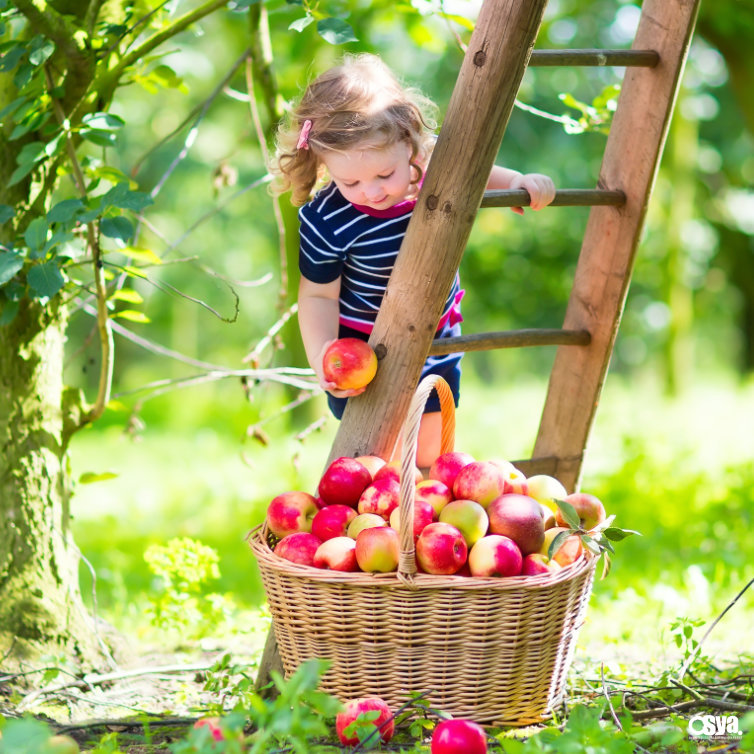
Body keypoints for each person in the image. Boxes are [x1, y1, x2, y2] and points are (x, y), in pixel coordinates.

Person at [271, 54, 555, 468]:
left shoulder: (430, 170)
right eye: (350, 181)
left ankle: (420, 516)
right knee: (373, 456)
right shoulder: (325, 220)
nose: (370, 191)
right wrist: (321, 357)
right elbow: (317, 296)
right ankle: (378, 524)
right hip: (365, 348)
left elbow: (476, 171)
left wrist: (516, 183)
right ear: (323, 163)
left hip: (435, 337)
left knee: (430, 455)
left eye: (384, 175)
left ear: (409, 142)